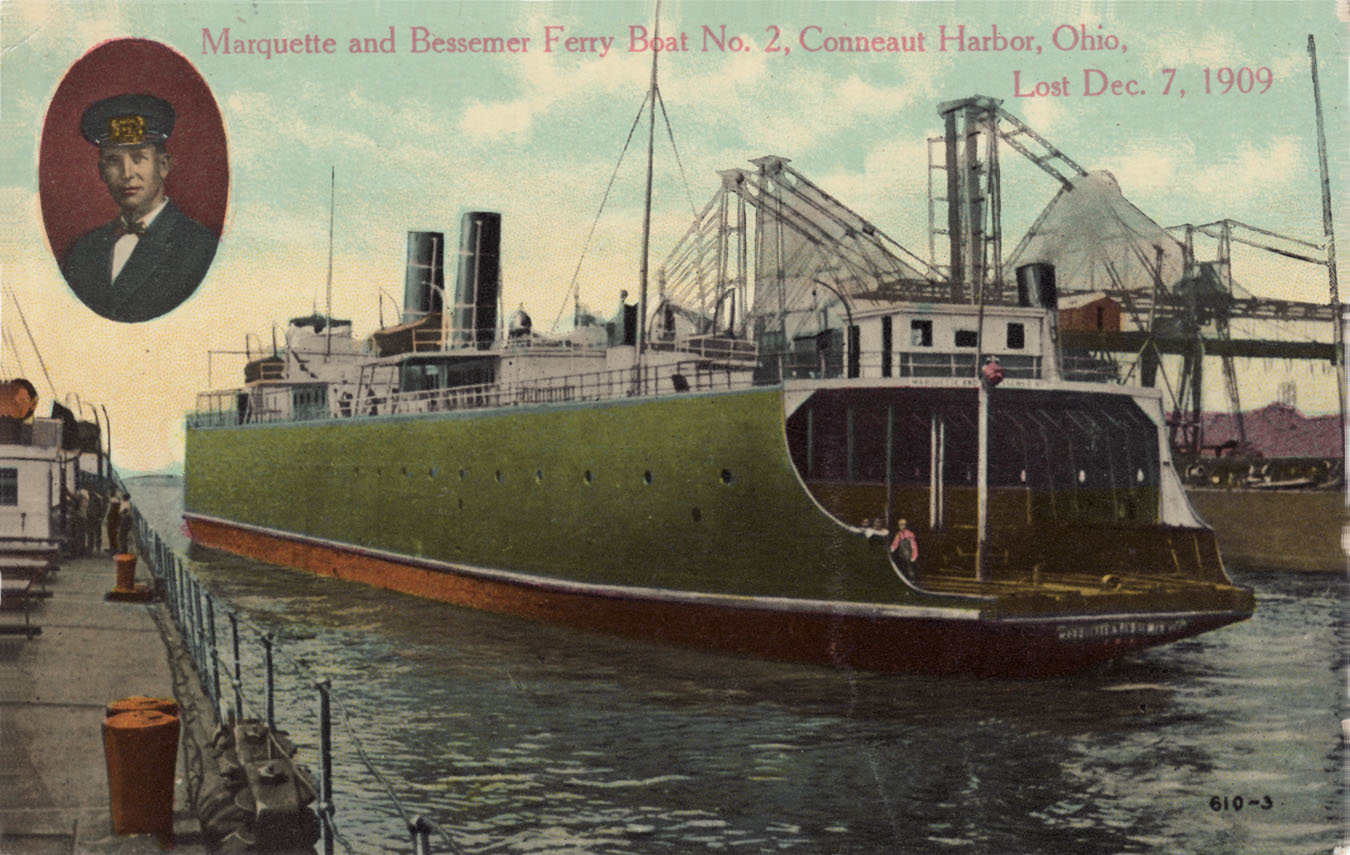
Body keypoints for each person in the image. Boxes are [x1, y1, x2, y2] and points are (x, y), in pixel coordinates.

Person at [59, 93, 218, 323]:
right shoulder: (82, 251)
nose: (127, 174)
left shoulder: (199, 248)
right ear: (102, 172)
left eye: (138, 158)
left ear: (163, 166)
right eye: (114, 160)